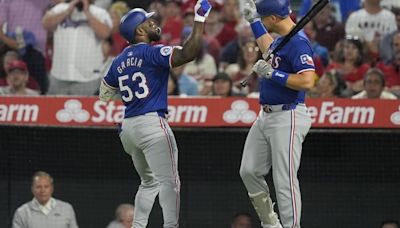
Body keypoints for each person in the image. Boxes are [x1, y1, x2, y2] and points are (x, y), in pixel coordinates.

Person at [98, 1, 212, 227]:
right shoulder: (152, 52)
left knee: (148, 183)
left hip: (128, 128)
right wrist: (199, 19)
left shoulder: (117, 61)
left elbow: (104, 95)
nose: (155, 24)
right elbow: (189, 53)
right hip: (152, 124)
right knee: (170, 182)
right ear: (139, 31)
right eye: (149, 22)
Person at [239, 0, 316, 227]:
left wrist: (273, 74)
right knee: (249, 171)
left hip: (288, 115)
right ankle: (271, 223)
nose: (263, 21)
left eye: (263, 18)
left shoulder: (299, 42)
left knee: (285, 180)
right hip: (266, 116)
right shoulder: (283, 40)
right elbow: (269, 48)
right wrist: (253, 21)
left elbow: (307, 80)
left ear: (273, 18)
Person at [42, 0, 112, 95]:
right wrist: (67, 11)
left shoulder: (99, 12)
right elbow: (45, 24)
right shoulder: (60, 8)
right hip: (59, 75)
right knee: (53, 109)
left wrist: (87, 13)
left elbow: (105, 33)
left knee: (86, 109)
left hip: (88, 78)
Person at [12, 171, 78, 228]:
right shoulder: (22, 212)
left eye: (46, 187)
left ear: (52, 188)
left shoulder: (66, 209)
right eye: (38, 187)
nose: (42, 190)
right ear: (32, 189)